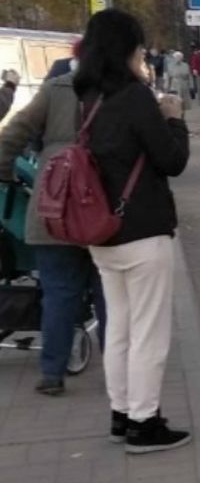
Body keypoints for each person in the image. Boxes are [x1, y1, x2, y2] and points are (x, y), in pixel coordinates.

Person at [74, 8, 191, 453]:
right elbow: (171, 161)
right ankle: (145, 422)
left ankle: (121, 414)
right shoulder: (137, 97)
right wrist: (175, 118)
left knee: (119, 329)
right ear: (127, 48)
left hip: (101, 234)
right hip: (142, 231)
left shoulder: (86, 97)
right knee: (149, 334)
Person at [0, 72, 108, 397]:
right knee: (109, 294)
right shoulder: (118, 87)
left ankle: (52, 372)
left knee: (58, 294)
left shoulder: (54, 88)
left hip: (52, 209)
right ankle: (120, 369)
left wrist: (7, 178)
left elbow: (11, 137)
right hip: (100, 209)